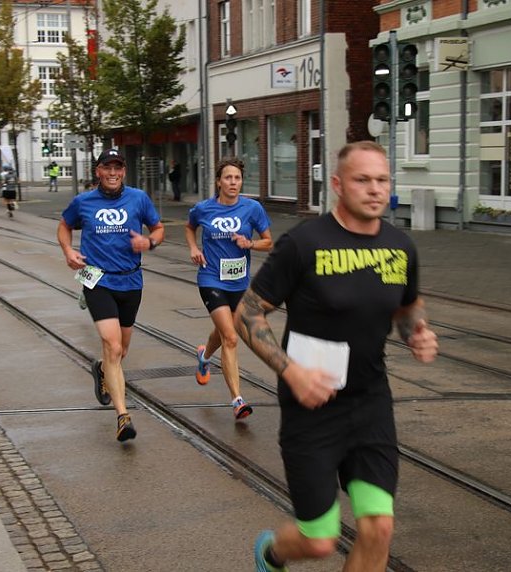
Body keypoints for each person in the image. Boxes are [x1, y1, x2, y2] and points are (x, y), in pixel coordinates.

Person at [234, 141, 439, 572]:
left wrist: (416, 332)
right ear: (338, 185)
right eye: (362, 179)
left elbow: (407, 304)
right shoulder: (304, 243)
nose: (374, 189)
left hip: (370, 405)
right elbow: (247, 314)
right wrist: (291, 373)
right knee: (320, 540)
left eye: (382, 179)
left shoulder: (401, 247)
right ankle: (272, 552)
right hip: (312, 411)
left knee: (378, 528)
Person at [57, 148, 165, 442]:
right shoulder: (83, 202)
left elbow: (158, 228)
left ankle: (101, 370)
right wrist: (68, 251)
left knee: (121, 351)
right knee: (112, 344)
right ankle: (122, 416)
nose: (113, 173)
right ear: (98, 171)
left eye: (118, 167)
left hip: (131, 282)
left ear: (124, 172)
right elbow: (64, 225)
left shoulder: (139, 198)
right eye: (108, 167)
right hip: (98, 281)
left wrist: (150, 242)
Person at [186, 157, 272, 421]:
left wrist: (250, 245)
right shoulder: (203, 208)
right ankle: (237, 400)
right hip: (211, 278)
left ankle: (205, 354)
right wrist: (193, 248)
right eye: (228, 178)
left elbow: (268, 242)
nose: (233, 182)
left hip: (240, 282)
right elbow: (190, 228)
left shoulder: (252, 208)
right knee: (231, 337)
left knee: (225, 330)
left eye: (237, 178)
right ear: (218, 182)